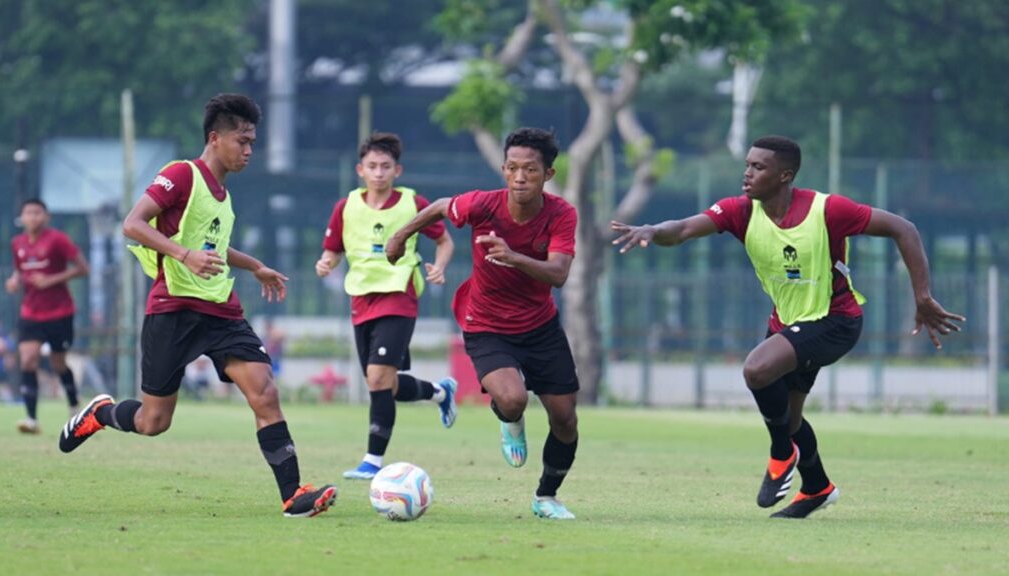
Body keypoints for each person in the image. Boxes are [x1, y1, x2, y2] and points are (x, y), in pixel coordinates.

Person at [611, 135, 965, 519]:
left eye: (758, 167)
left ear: (785, 175)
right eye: (747, 164)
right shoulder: (740, 211)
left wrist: (923, 296)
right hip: (788, 322)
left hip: (836, 320)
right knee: (790, 419)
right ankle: (817, 487)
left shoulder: (828, 210)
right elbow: (680, 229)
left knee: (756, 369)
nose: (747, 173)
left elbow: (904, 228)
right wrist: (651, 229)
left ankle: (782, 455)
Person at [58, 94, 337, 518]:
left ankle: (293, 494)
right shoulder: (181, 175)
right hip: (173, 310)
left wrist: (255, 266)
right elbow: (132, 224)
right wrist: (183, 256)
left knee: (265, 392)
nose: (248, 150)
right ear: (215, 138)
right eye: (242, 141)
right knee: (153, 422)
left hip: (221, 311)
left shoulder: (223, 195)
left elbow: (215, 249)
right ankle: (102, 413)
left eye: (253, 143)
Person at [386, 127, 581, 520]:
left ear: (549, 174)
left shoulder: (562, 214)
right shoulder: (482, 205)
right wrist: (401, 236)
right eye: (512, 168)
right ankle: (510, 422)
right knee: (512, 400)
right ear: (504, 170)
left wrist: (515, 257)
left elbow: (558, 274)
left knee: (565, 417)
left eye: (530, 169)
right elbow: (442, 205)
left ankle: (546, 496)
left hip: (540, 326)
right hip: (486, 322)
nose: (520, 177)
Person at [315, 132, 458, 480]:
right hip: (361, 297)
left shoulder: (412, 203)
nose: (379, 172)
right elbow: (333, 250)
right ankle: (440, 392)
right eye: (372, 166)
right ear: (360, 170)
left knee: (378, 378)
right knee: (384, 383)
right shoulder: (346, 207)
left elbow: (444, 240)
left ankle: (372, 462)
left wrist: (439, 266)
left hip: (399, 293)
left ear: (397, 170)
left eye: (386, 167)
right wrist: (326, 263)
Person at [6, 199, 90, 433]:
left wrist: (51, 280)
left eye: (37, 212)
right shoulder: (17, 243)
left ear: (46, 216)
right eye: (28, 213)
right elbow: (19, 272)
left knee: (58, 363)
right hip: (30, 312)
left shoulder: (57, 240)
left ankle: (74, 407)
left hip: (59, 312)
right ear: (21, 218)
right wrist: (14, 281)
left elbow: (84, 268)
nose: (32, 217)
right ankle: (31, 419)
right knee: (28, 359)